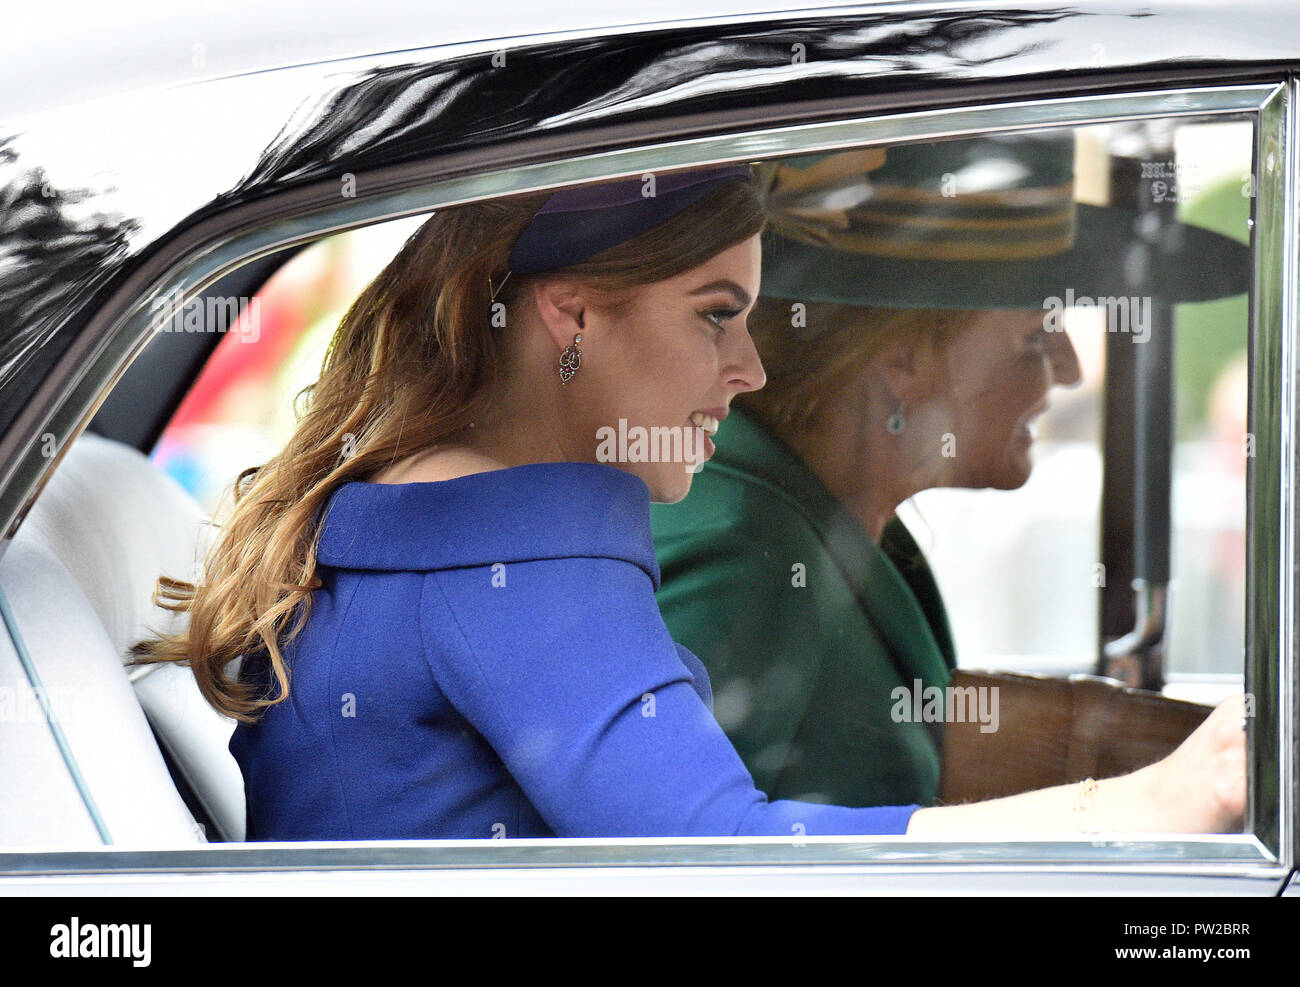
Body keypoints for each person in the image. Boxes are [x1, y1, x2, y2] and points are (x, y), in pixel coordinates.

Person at [133, 162, 1246, 841]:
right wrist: (1149, 808)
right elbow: (716, 852)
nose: (752, 369)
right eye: (716, 314)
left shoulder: (406, 514)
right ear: (573, 317)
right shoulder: (523, 550)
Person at [651, 137, 1253, 809]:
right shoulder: (746, 553)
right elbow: (666, 847)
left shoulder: (826, 520)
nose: (1070, 370)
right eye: (1036, 335)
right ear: (902, 356)